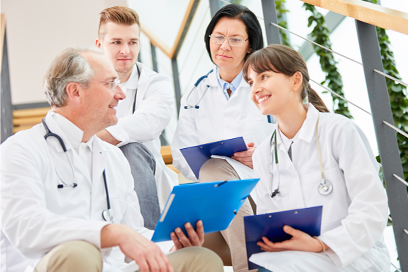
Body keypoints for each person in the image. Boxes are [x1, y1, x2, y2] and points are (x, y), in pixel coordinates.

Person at [0, 47, 223, 272]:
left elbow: (133, 232)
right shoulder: (20, 149)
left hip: (115, 268)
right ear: (75, 91)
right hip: (47, 266)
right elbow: (25, 226)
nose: (121, 94)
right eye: (110, 84)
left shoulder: (114, 157)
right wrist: (109, 232)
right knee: (80, 253)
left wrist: (170, 247)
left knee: (199, 258)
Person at [243, 44, 390, 271]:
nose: (255, 89)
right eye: (251, 82)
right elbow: (268, 222)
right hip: (296, 258)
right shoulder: (264, 154)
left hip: (352, 256)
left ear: (295, 80)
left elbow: (372, 207)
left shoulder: (339, 130)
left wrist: (321, 244)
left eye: (264, 76)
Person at [171, 4, 275, 272]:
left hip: (261, 188)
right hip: (214, 194)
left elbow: (290, 141)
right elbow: (181, 155)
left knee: (215, 171)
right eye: (218, 37)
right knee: (212, 168)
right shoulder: (196, 94)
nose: (224, 46)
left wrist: (261, 157)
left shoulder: (267, 86)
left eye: (235, 39)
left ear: (250, 46)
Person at [95, 6, 178, 229]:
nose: (126, 50)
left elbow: (148, 123)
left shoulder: (156, 83)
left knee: (130, 149)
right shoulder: (83, 84)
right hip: (94, 169)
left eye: (133, 42)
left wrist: (91, 141)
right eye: (116, 42)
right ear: (99, 44)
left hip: (142, 174)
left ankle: (149, 243)